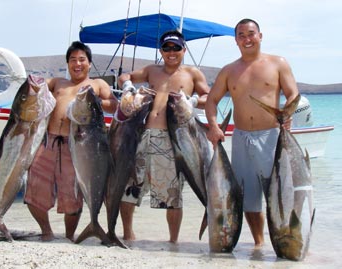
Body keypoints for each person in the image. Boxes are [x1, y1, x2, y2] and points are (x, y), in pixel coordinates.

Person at [205, 18, 299, 247]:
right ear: (236, 40)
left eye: (251, 34)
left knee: (277, 195)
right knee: (248, 198)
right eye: (241, 35)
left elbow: (292, 93)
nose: (247, 39)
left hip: (272, 137)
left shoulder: (278, 63)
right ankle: (259, 244)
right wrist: (214, 125)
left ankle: (283, 243)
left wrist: (288, 114)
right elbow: (211, 100)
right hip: (241, 138)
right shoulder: (229, 70)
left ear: (260, 36)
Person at [117, 30, 210, 243]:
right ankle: (127, 234)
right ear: (161, 51)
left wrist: (193, 101)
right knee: (129, 187)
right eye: (167, 48)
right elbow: (126, 76)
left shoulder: (192, 73)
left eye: (176, 48)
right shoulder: (151, 70)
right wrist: (128, 87)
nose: (171, 52)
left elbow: (209, 96)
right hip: (143, 136)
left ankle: (173, 241)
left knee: (172, 194)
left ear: (183, 50)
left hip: (173, 139)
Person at [24, 41, 118, 242]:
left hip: (78, 145)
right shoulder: (58, 83)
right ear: (67, 64)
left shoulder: (97, 84)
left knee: (72, 196)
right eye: (73, 60)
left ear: (89, 63)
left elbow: (115, 106)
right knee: (34, 190)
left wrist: (95, 101)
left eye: (82, 59)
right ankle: (46, 231)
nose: (77, 64)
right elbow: (37, 87)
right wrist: (35, 84)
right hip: (47, 142)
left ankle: (69, 236)